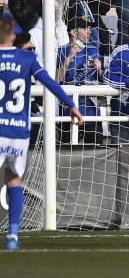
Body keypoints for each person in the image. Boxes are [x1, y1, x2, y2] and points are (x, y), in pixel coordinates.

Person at [0, 18, 83, 251]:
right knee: (14, 180)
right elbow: (49, 82)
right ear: (14, 38)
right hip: (17, 130)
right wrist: (70, 104)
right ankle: (13, 235)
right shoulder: (27, 58)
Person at [56, 17, 103, 144]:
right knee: (65, 152)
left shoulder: (93, 49)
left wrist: (99, 69)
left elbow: (102, 78)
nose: (89, 32)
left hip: (91, 112)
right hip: (67, 112)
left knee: (95, 152)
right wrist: (67, 59)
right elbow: (55, 80)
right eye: (85, 28)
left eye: (89, 29)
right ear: (74, 32)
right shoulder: (61, 51)